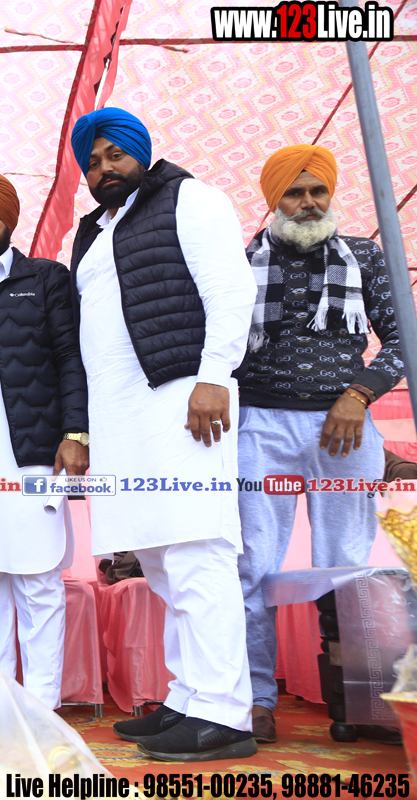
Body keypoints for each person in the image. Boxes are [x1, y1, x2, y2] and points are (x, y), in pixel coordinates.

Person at [68, 107, 257, 761]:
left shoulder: (191, 199)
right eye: (92, 162)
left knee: (198, 553)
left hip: (183, 399)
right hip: (122, 417)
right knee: (160, 563)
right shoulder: (94, 231)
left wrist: (214, 375)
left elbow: (230, 291)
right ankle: (189, 697)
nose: (103, 169)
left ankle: (225, 713)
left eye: (114, 155)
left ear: (141, 153)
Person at [236, 145, 403, 744]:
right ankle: (255, 701)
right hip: (258, 425)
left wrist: (359, 394)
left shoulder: (364, 255)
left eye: (318, 192)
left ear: (331, 195)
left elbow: (404, 340)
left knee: (350, 569)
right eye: (294, 193)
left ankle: (364, 704)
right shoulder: (239, 261)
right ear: (273, 200)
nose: (308, 203)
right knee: (252, 566)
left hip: (346, 428)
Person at [0, 171, 88, 710]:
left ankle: (43, 707)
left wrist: (76, 433)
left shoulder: (47, 278)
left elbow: (71, 358)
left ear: (9, 220)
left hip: (33, 454)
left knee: (38, 582)